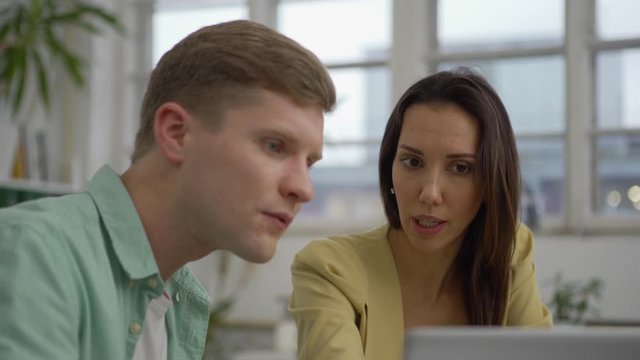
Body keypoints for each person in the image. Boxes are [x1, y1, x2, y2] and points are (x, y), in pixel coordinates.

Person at [0, 20, 335, 360]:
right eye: (275, 146)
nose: (303, 189)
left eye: (309, 162)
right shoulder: (32, 251)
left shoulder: (179, 301)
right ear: (176, 133)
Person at [289, 67, 552, 360]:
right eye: (412, 162)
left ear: (491, 182)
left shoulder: (508, 251)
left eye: (461, 168)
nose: (430, 193)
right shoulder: (330, 269)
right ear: (390, 168)